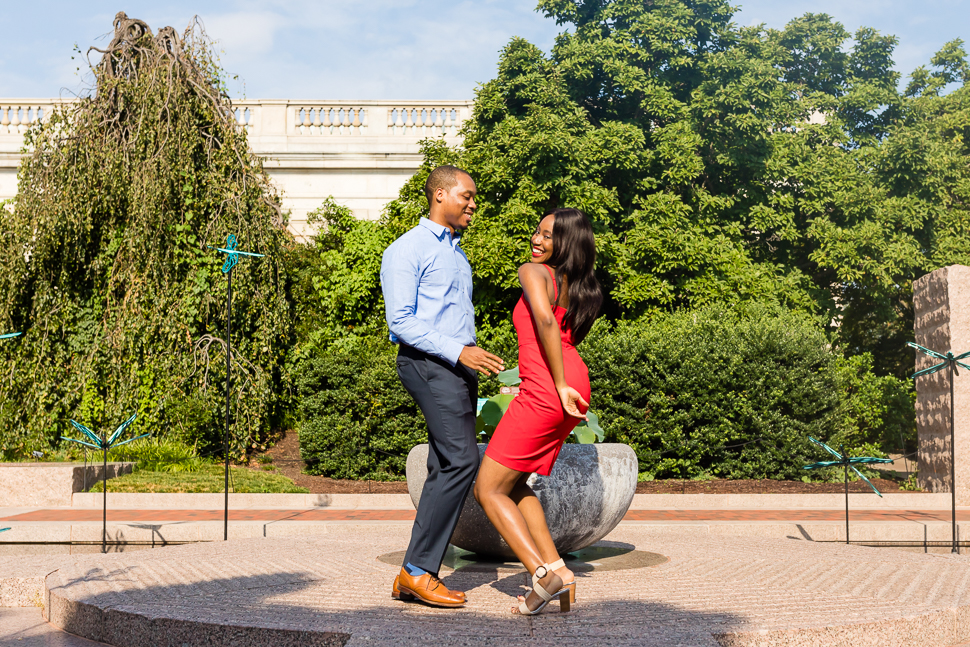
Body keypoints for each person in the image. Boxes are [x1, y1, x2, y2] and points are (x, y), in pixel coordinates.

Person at [380, 165, 505, 608]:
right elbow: (401, 321)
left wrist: (469, 356)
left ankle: (413, 574)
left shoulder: (456, 252)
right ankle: (417, 571)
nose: (473, 203)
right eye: (466, 195)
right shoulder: (407, 249)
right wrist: (459, 352)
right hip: (429, 365)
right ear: (440, 195)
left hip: (456, 368)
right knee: (460, 461)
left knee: (444, 463)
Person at [473, 207, 603, 615]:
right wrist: (564, 384)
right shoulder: (577, 285)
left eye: (549, 235)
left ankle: (540, 574)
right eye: (538, 231)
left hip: (551, 388)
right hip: (568, 385)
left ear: (565, 243)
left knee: (487, 489)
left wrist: (557, 384)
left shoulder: (533, 271)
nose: (538, 240)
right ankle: (560, 574)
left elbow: (545, 322)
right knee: (514, 484)